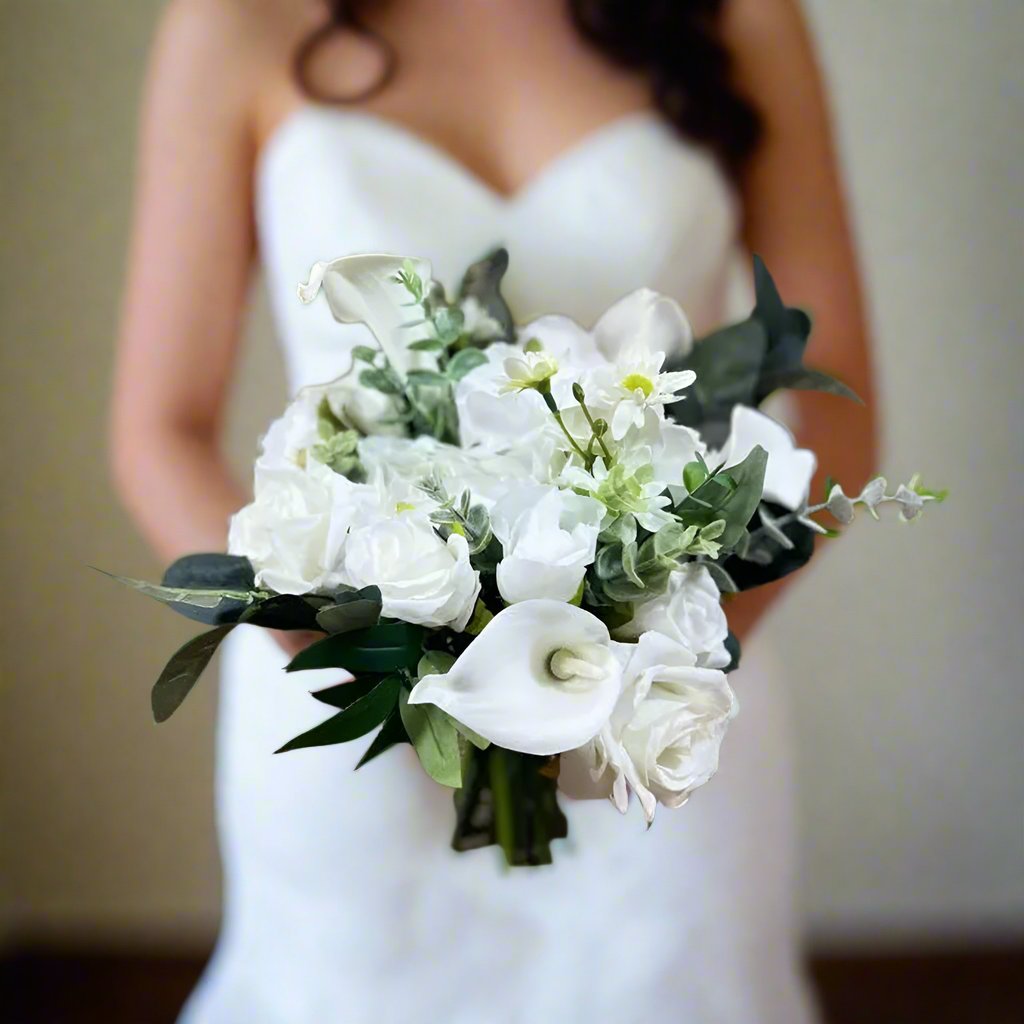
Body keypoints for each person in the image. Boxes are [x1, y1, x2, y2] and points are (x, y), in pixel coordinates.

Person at [111, 1, 876, 1020]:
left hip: (656, 729)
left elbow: (833, 408)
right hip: (357, 726)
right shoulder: (236, 23)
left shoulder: (741, 17)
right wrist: (346, 647)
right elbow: (158, 429)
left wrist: (641, 672)